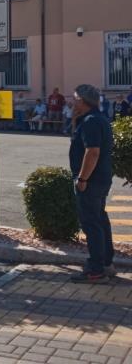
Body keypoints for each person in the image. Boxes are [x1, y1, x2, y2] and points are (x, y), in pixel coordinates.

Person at [69, 84, 115, 283]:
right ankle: (105, 263)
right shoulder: (98, 118)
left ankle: (96, 269)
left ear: (82, 100)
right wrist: (74, 120)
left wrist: (82, 179)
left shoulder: (90, 121)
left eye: (74, 98)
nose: (72, 101)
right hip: (101, 178)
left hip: (91, 180)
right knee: (100, 219)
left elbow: (92, 152)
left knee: (91, 223)